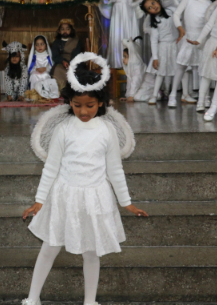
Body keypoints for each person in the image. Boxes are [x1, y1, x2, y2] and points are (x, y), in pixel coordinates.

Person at [22, 55, 148, 305]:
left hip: (95, 198)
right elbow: (51, 167)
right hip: (64, 196)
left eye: (90, 105)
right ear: (70, 102)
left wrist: (126, 202)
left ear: (100, 103)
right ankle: (33, 298)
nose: (83, 111)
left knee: (91, 252)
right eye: (77, 105)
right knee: (49, 247)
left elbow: (115, 169)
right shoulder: (64, 129)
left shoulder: (107, 130)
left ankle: (90, 301)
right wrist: (39, 200)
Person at [168, 0, 217, 107]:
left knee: (203, 69)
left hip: (203, 39)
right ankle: (172, 95)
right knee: (181, 66)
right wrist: (180, 28)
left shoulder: (213, 5)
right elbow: (176, 14)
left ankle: (205, 97)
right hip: (188, 37)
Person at [140, 0, 178, 105]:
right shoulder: (155, 22)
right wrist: (155, 58)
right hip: (163, 48)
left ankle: (178, 93)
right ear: (148, 12)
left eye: (153, 3)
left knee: (178, 70)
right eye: (149, 8)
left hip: (175, 45)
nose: (153, 7)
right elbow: (153, 41)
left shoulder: (171, 11)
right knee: (161, 72)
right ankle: (154, 95)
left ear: (157, 0)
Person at [50, 19, 86, 89]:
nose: (65, 31)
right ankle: (61, 90)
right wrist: (63, 61)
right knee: (57, 70)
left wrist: (71, 64)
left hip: (75, 62)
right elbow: (55, 56)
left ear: (71, 30)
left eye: (67, 29)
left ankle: (74, 90)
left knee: (78, 72)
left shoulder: (77, 41)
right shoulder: (56, 42)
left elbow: (77, 54)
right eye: (62, 29)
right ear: (59, 31)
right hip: (61, 62)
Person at [28, 35, 59, 99]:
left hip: (46, 73)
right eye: (37, 45)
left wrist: (46, 68)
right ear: (34, 46)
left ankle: (46, 94)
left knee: (45, 75)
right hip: (35, 73)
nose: (39, 46)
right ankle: (34, 94)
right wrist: (36, 69)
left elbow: (51, 67)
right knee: (34, 76)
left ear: (46, 45)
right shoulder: (33, 57)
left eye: (42, 44)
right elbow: (30, 68)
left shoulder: (48, 56)